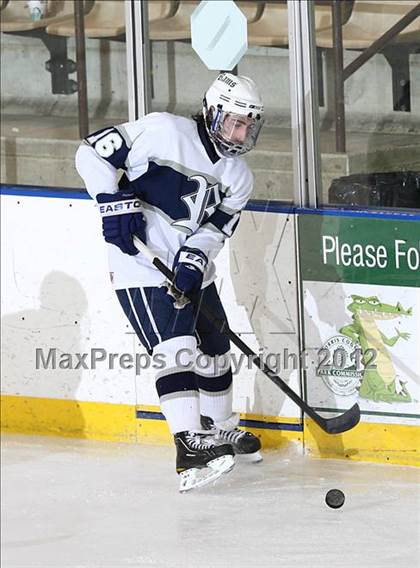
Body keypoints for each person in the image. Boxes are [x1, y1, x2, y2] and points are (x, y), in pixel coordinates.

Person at [75, 72, 265, 492]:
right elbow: (91, 152)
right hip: (139, 266)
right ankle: (188, 444)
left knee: (215, 347)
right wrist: (111, 199)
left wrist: (196, 260)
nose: (241, 132)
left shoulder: (240, 176)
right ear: (213, 113)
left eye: (249, 124)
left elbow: (216, 228)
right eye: (235, 121)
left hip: (188, 267)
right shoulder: (162, 130)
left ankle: (218, 429)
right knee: (175, 347)